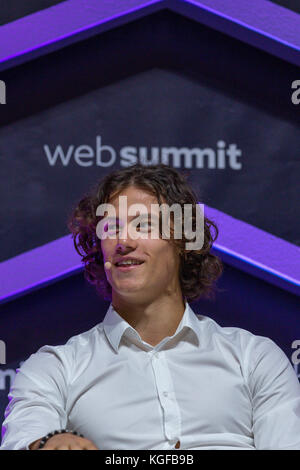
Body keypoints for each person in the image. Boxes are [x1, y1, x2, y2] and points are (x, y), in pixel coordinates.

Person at [1, 163, 300, 450]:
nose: (123, 241)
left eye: (143, 225)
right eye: (111, 228)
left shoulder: (254, 359)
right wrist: (49, 442)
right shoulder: (55, 369)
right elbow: (26, 433)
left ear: (183, 241)